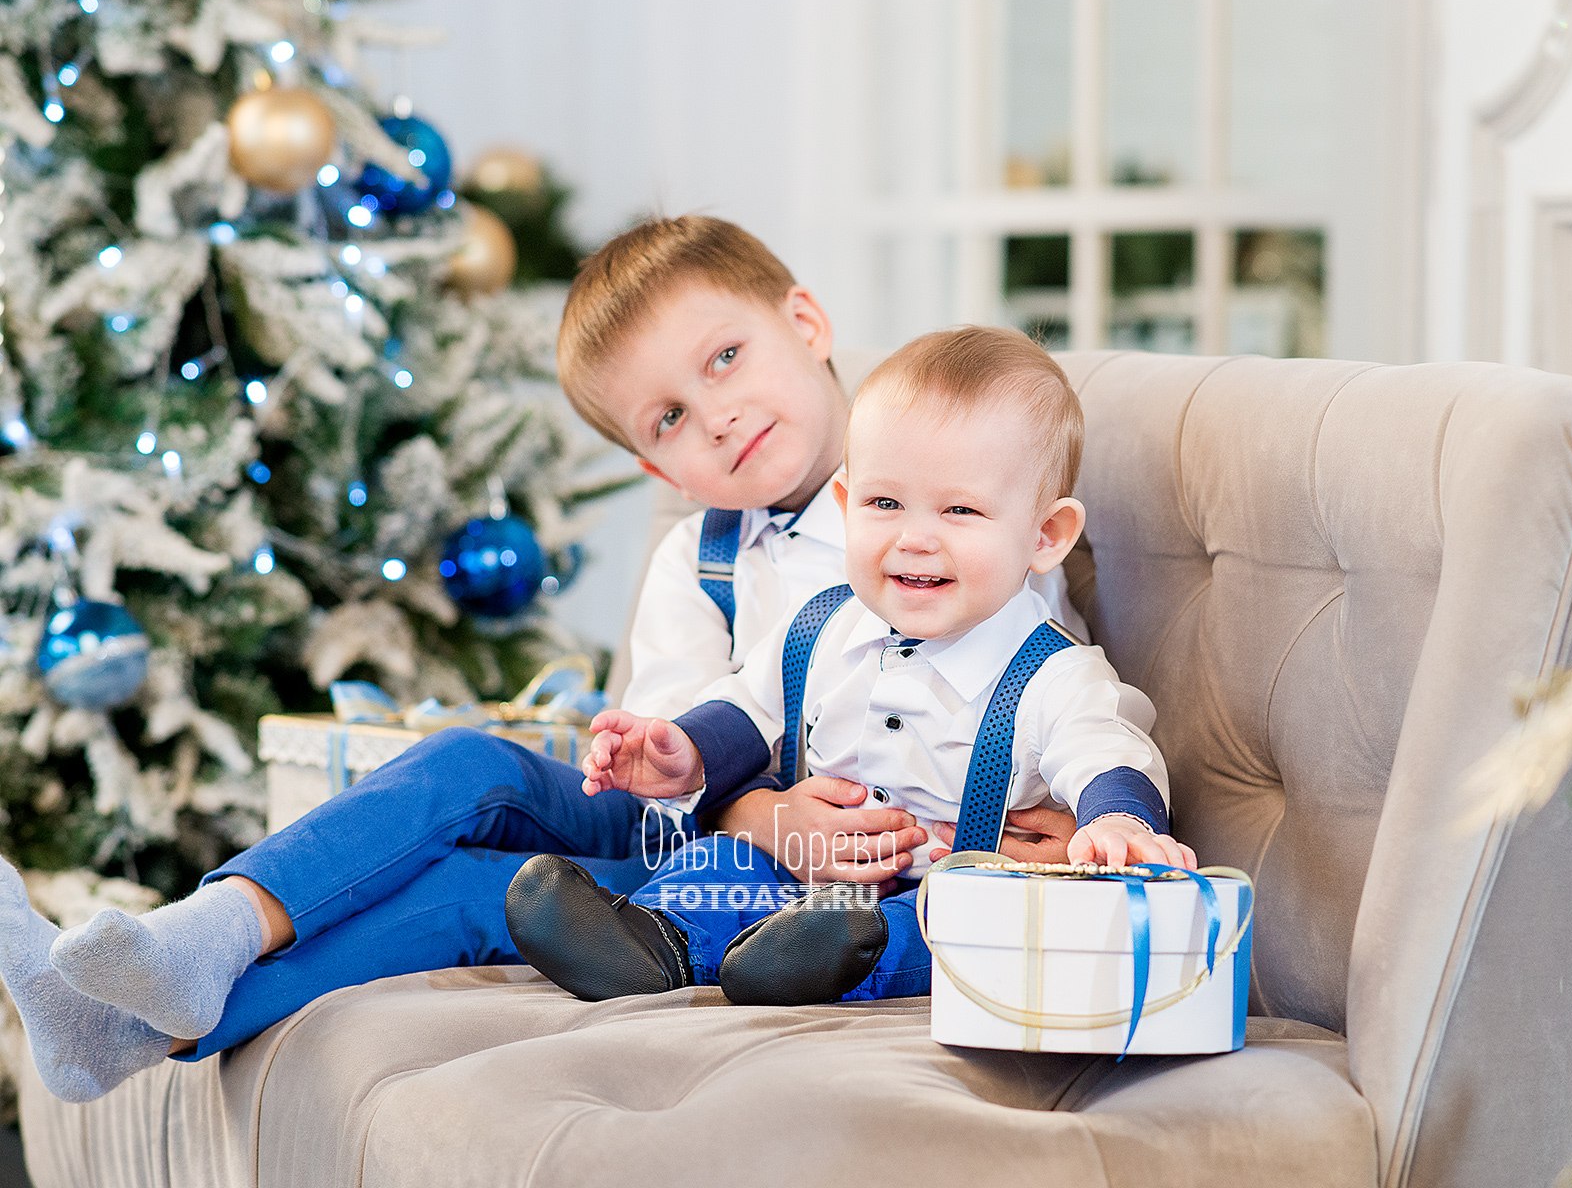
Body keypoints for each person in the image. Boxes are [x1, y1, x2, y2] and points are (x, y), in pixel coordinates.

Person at [0, 217, 1082, 1104]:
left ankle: (121, 1031)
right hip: (710, 818)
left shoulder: (964, 495)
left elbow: (1043, 701)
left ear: (803, 322)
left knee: (483, 895)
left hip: (820, 872)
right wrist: (751, 806)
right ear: (650, 460)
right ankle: (209, 928)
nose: (721, 415)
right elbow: (671, 784)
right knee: (472, 765)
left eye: (725, 357)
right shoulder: (697, 563)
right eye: (670, 416)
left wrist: (1065, 829)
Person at [505, 326, 1195, 1009]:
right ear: (847, 506)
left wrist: (1122, 827)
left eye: (960, 509)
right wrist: (683, 753)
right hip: (802, 869)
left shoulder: (1056, 675)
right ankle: (653, 943)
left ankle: (815, 963)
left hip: (939, 893)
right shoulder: (822, 623)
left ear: (1044, 536)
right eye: (884, 504)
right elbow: (748, 709)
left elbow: (1109, 756)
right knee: (724, 864)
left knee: (962, 918)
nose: (914, 538)